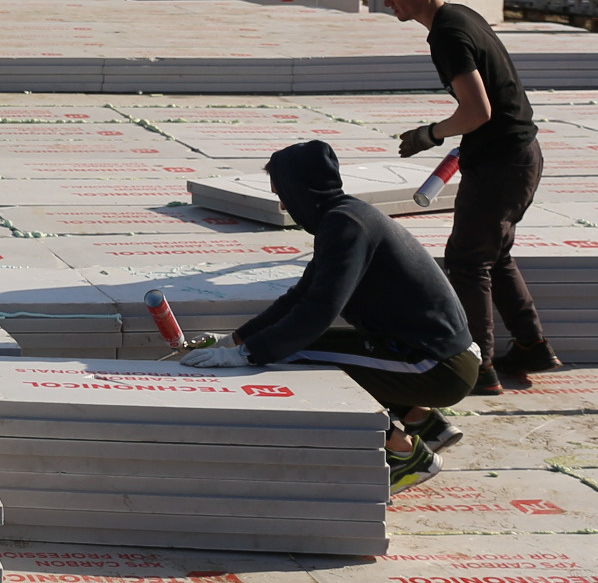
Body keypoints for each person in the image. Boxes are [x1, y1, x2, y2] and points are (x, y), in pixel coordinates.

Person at [175, 139, 476, 488]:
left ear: (302, 190)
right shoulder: (346, 216)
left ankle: (407, 454)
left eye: (283, 193)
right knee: (309, 347)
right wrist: (233, 341)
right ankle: (422, 420)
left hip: (435, 366)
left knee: (296, 358)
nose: (284, 204)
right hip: (431, 354)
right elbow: (299, 297)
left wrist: (247, 354)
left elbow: (319, 311)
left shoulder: (346, 226)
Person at [375, 0, 560, 396]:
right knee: (494, 255)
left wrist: (429, 134)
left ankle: (478, 368)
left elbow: (477, 109)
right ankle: (533, 347)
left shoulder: (446, 35)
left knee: (467, 261)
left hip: (502, 162)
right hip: (520, 154)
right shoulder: (461, 16)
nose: (387, 4)